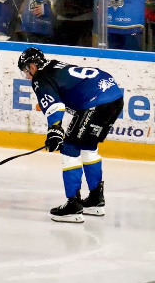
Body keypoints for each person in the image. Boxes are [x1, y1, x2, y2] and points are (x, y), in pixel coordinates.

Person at [18, 47, 124, 222]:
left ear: (32, 66)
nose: (27, 76)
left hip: (95, 101)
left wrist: (55, 129)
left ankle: (73, 205)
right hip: (114, 96)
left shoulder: (40, 78)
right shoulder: (53, 65)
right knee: (89, 147)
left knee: (70, 149)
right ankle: (95, 199)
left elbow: (54, 107)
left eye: (25, 71)